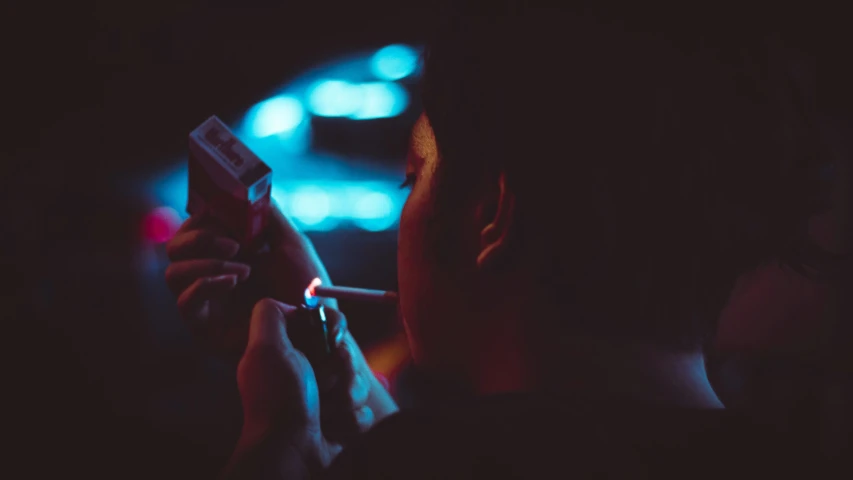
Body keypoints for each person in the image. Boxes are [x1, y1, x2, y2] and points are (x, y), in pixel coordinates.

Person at [166, 9, 829, 479]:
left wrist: (277, 445)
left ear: (491, 216)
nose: (404, 208)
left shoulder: (410, 464)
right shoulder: (798, 460)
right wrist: (347, 375)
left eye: (413, 180)